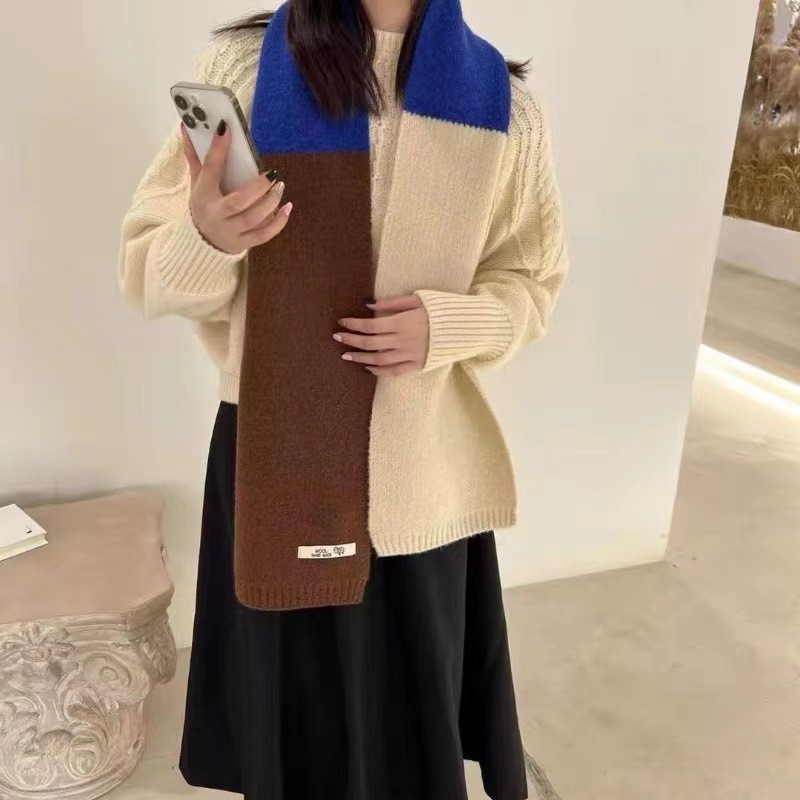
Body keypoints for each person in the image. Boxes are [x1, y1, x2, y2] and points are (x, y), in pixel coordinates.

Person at [117, 0, 568, 798]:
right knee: (294, 729)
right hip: (275, 458)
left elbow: (532, 282)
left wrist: (445, 326)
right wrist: (209, 237)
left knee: (407, 736)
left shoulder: (506, 105)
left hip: (419, 472)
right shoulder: (244, 68)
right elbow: (148, 273)